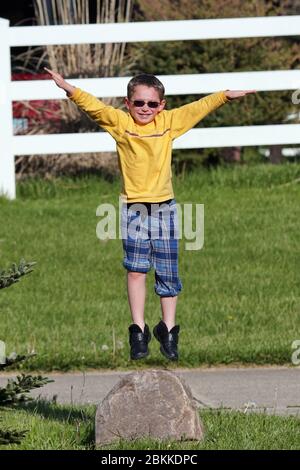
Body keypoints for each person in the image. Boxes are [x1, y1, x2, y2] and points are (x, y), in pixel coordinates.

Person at [45, 67, 256, 361]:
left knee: (168, 271)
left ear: (162, 105)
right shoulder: (120, 123)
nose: (146, 109)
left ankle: (168, 330)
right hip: (133, 209)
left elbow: (197, 108)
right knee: (135, 269)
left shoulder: (169, 123)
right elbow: (94, 106)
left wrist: (224, 96)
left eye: (152, 104)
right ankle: (139, 329)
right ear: (128, 103)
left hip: (165, 208)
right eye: (139, 103)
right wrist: (68, 87)